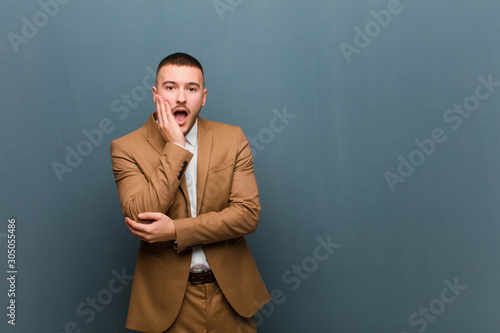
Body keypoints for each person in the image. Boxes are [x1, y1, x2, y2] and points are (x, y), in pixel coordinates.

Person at [110, 52, 270, 333]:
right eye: (170, 87)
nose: (181, 98)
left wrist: (175, 231)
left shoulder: (232, 138)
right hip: (168, 305)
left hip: (231, 299)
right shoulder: (126, 148)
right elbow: (141, 216)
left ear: (203, 97)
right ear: (155, 93)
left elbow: (247, 216)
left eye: (191, 89)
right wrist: (176, 148)